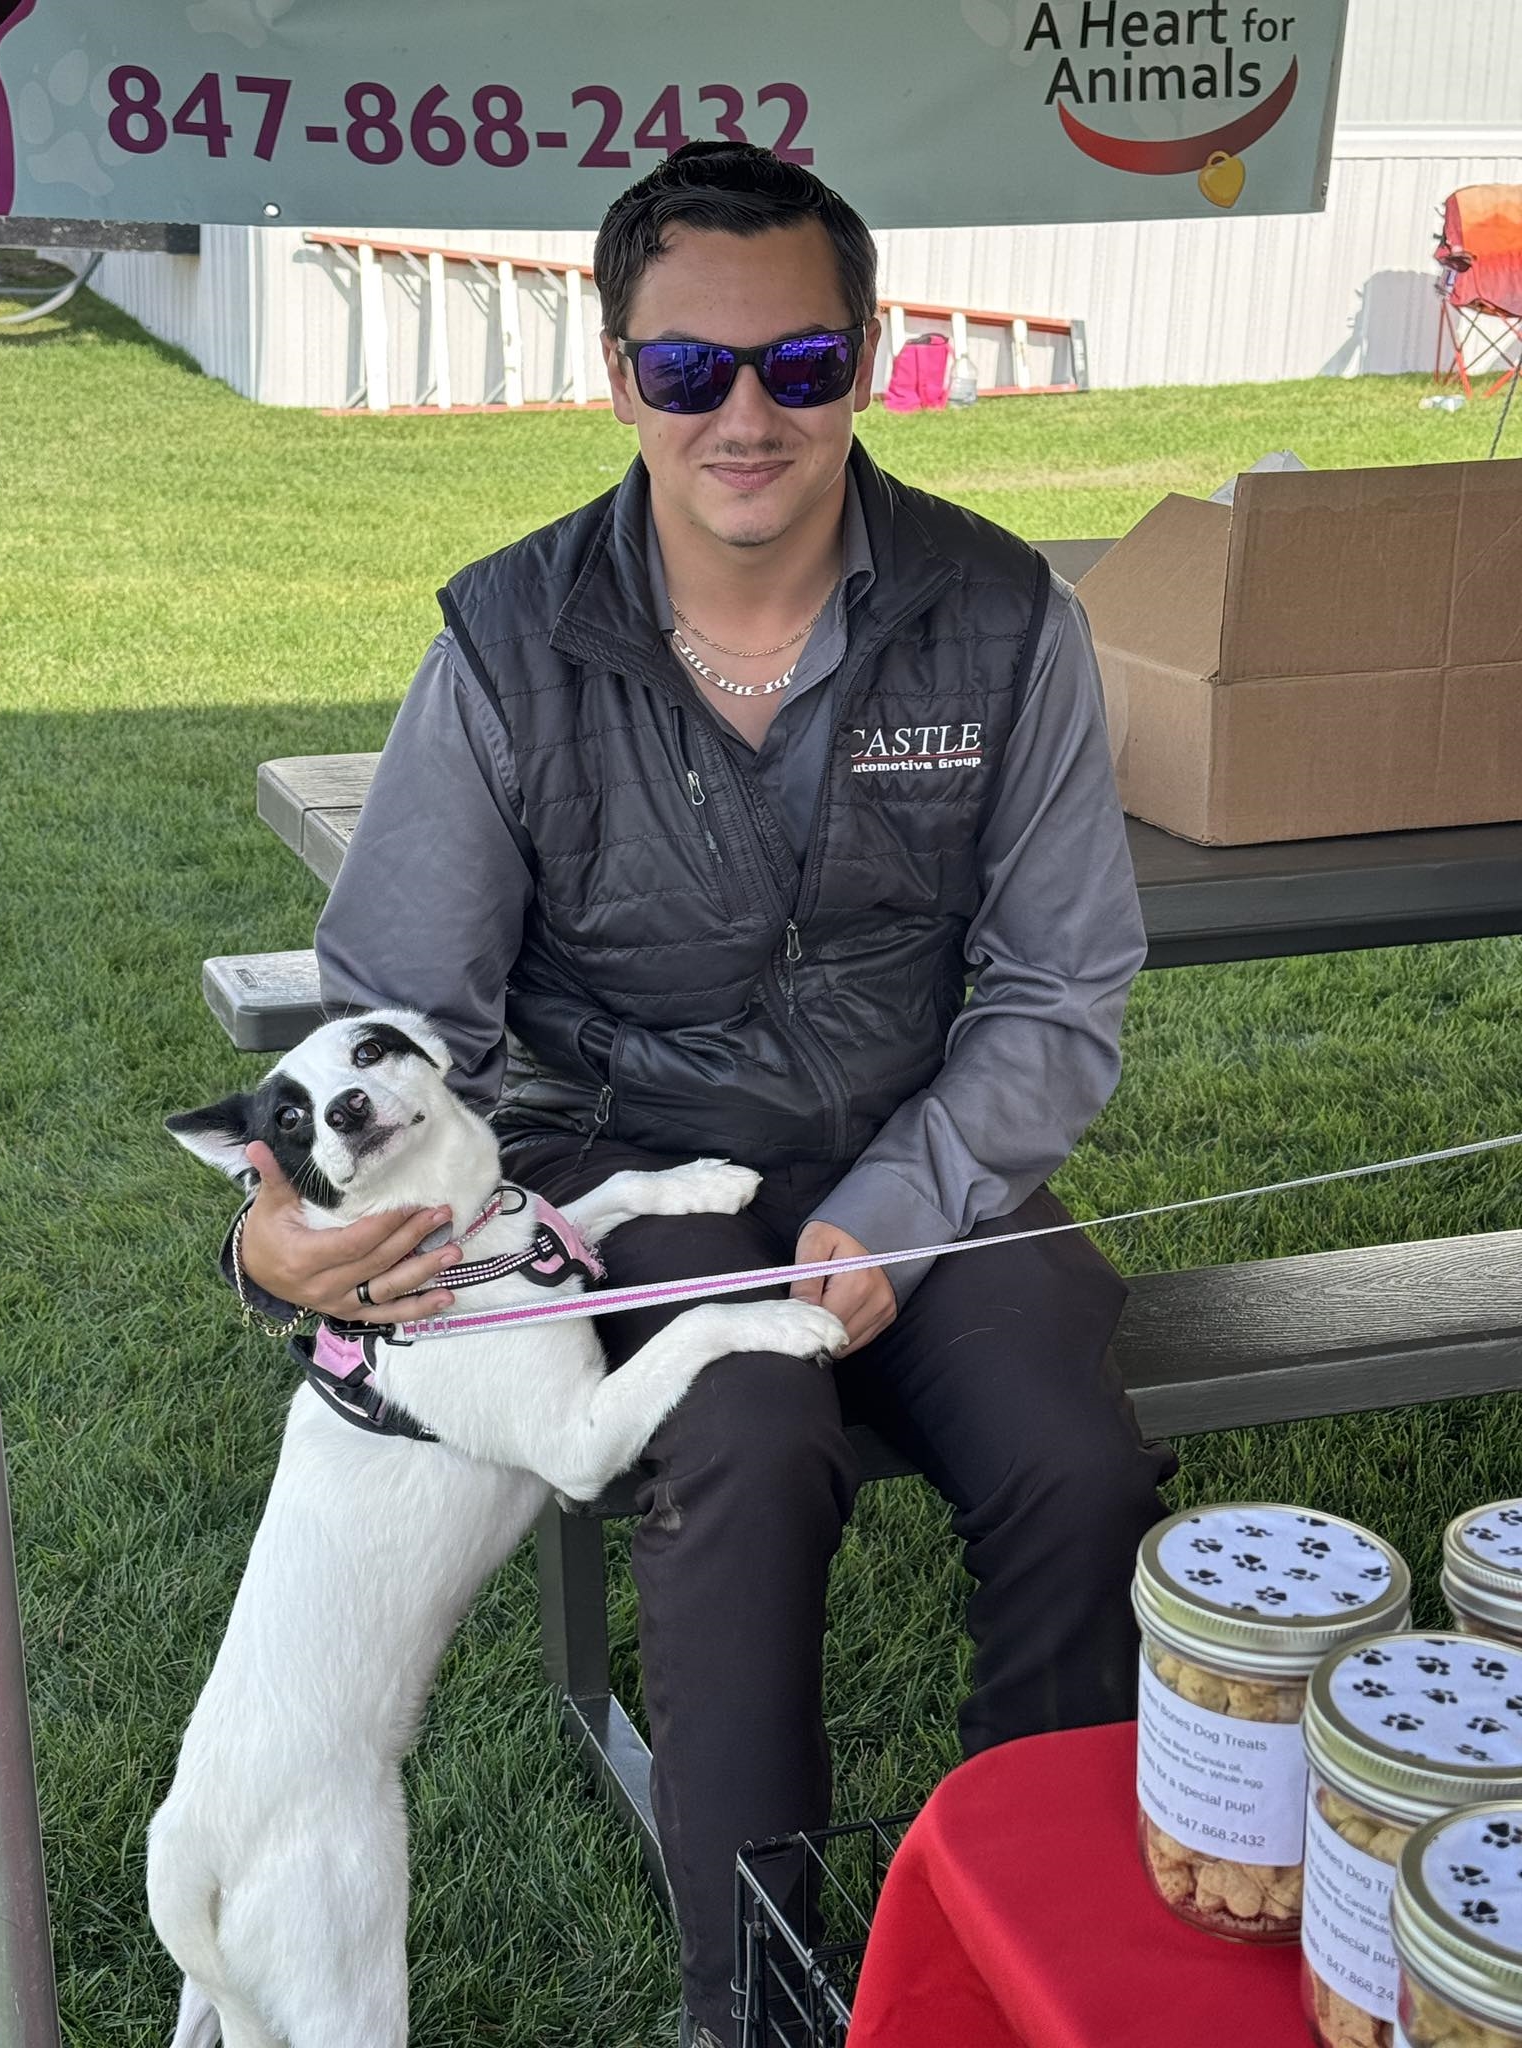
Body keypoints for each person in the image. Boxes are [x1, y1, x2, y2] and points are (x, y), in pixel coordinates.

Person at [230, 141, 1178, 2048]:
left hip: (920, 1152)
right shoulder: (508, 641)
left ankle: (1033, 1956)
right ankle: (753, 2005)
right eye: (689, 369)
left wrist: (905, 1198)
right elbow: (397, 1016)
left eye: (799, 363)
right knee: (742, 1445)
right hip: (625, 1166)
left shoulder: (1006, 614)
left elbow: (1063, 987)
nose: (746, 415)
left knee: (1077, 1468)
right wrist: (282, 1244)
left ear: (867, 358)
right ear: (619, 378)